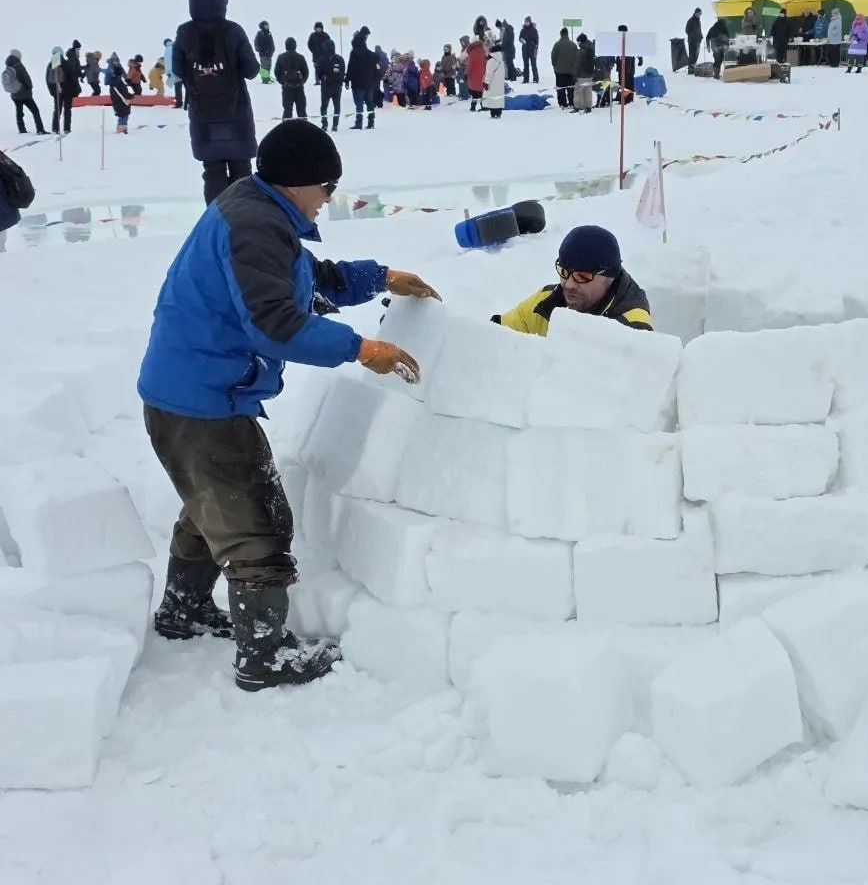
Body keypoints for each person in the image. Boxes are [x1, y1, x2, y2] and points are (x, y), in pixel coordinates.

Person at [136, 119, 439, 692]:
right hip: (204, 402)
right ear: (301, 183)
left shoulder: (256, 208)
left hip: (188, 391)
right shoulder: (255, 225)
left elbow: (300, 281)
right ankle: (264, 655)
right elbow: (276, 324)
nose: (329, 200)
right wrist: (359, 348)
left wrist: (380, 277)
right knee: (257, 522)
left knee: (211, 505)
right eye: (328, 188)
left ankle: (184, 610)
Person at [172, 0, 261, 205]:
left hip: (203, 116)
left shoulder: (185, 33)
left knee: (212, 172)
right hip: (236, 115)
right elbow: (252, 70)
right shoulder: (233, 31)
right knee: (242, 171)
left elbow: (178, 70)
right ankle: (247, 221)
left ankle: (217, 221)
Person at [492, 226, 652, 336]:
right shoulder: (544, 303)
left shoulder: (633, 327)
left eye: (582, 277)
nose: (568, 285)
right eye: (564, 272)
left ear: (609, 277)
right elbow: (498, 336)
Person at [5, 50, 46, 135]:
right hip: (25, 94)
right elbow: (26, 78)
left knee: (19, 112)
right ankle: (40, 129)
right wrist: (29, 87)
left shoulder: (8, 66)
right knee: (35, 111)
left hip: (14, 94)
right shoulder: (19, 65)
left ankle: (22, 129)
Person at [346, 25, 378, 129]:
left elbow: (351, 67)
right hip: (368, 83)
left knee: (359, 104)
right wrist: (374, 78)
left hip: (357, 83)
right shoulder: (370, 54)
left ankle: (359, 124)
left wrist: (347, 80)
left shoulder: (354, 53)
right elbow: (376, 66)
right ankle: (371, 123)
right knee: (370, 103)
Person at [274, 37, 309, 119]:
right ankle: (305, 130)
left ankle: (285, 130)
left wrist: (283, 82)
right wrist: (301, 82)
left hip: (287, 89)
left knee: (287, 111)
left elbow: (277, 73)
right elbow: (306, 73)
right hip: (298, 88)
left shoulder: (281, 57)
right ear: (295, 46)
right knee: (301, 111)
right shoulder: (300, 57)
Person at [45, 46, 74, 134]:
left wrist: (52, 92)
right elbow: (72, 78)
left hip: (56, 91)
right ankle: (66, 128)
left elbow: (47, 80)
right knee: (67, 109)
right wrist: (73, 91)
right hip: (67, 91)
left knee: (57, 109)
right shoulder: (66, 63)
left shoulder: (50, 65)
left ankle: (55, 128)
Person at [319, 40, 344, 131]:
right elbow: (342, 72)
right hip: (337, 87)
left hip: (326, 87)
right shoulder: (339, 58)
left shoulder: (322, 59)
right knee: (337, 106)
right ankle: (335, 125)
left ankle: (324, 124)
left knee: (324, 106)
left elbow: (318, 73)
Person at [550, 28, 578, 109]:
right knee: (570, 87)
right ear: (567, 34)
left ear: (561, 34)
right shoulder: (573, 45)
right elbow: (577, 57)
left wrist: (554, 65)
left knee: (560, 88)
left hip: (559, 71)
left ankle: (562, 103)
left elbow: (553, 56)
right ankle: (572, 102)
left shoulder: (557, 44)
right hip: (571, 71)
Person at [107, 57, 132, 133]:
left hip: (116, 103)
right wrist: (131, 96)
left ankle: (120, 130)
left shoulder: (112, 82)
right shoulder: (119, 82)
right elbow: (124, 92)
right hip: (122, 103)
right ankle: (123, 131)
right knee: (124, 116)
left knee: (121, 116)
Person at [573, 33, 595, 113]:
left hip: (581, 75)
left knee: (578, 91)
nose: (577, 43)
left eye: (578, 41)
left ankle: (577, 107)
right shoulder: (591, 49)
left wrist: (575, 75)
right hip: (589, 74)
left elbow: (577, 64)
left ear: (581, 41)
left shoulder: (580, 51)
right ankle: (588, 107)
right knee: (588, 91)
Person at [483, 41, 505, 119]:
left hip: (492, 83)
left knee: (492, 98)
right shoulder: (501, 60)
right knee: (499, 98)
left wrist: (486, 82)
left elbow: (489, 73)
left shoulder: (491, 60)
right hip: (499, 84)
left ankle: (493, 114)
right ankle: (499, 113)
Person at [466, 35, 487, 112]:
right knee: (480, 91)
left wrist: (466, 73)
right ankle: (483, 106)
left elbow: (470, 65)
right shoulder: (482, 51)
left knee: (474, 92)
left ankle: (473, 107)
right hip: (481, 74)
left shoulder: (472, 52)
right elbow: (485, 62)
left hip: (473, 75)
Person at [519, 16, 540, 84]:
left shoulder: (534, 30)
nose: (526, 23)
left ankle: (535, 79)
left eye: (527, 22)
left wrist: (536, 48)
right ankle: (526, 79)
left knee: (533, 64)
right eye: (525, 22)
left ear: (530, 22)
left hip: (532, 49)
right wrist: (521, 40)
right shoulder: (523, 30)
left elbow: (537, 39)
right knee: (525, 65)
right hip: (525, 49)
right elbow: (520, 38)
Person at [685, 7, 703, 73]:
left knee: (696, 54)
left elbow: (699, 30)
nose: (700, 15)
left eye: (700, 13)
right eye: (699, 13)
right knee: (692, 54)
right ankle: (690, 69)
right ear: (695, 13)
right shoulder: (690, 20)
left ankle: (693, 67)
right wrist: (692, 36)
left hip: (698, 40)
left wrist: (701, 36)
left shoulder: (699, 21)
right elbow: (687, 30)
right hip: (692, 41)